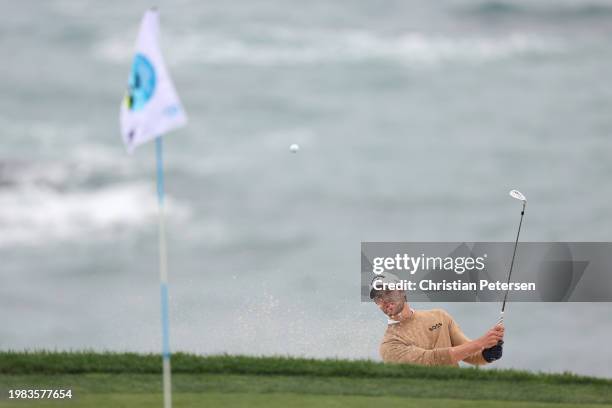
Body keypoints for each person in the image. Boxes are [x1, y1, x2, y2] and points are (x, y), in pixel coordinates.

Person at [370, 272, 504, 366]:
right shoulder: (389, 345)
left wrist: (488, 353)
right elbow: (432, 360)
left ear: (402, 290)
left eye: (388, 292)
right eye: (378, 298)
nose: (384, 300)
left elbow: (469, 354)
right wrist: (480, 343)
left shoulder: (439, 316)